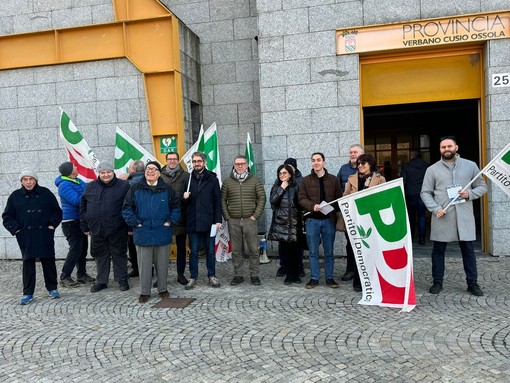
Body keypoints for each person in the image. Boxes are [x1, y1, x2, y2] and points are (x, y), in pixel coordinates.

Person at [420, 136, 487, 296]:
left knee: (468, 251)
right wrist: (435, 209)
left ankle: (472, 283)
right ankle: (437, 282)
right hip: (442, 216)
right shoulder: (432, 169)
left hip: (464, 217)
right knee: (438, 251)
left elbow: (482, 186)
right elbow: (425, 192)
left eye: (449, 146)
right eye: (443, 147)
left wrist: (468, 194)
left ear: (456, 147)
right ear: (440, 149)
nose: (446, 149)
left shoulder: (470, 166)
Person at [123, 161, 180, 303]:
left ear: (159, 173)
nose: (150, 172)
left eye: (154, 169)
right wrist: (136, 223)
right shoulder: (135, 188)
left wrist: (170, 222)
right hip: (143, 232)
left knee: (162, 264)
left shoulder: (167, 189)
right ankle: (145, 292)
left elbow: (176, 208)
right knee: (144, 265)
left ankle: (162, 289)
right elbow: (127, 208)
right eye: (148, 169)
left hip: (162, 231)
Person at [2, 169, 63, 305]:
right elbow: (7, 216)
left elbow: (57, 212)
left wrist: (52, 225)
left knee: (48, 260)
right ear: (21, 181)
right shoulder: (15, 196)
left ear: (36, 180)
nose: (28, 182)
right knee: (28, 262)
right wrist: (17, 229)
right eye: (25, 179)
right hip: (25, 235)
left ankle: (52, 288)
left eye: (31, 179)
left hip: (44, 233)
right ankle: (28, 292)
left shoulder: (46, 193)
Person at [80, 161, 130, 293]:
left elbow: (130, 205)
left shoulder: (124, 185)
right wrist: (85, 225)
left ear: (113, 172)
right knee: (100, 255)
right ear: (99, 173)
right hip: (97, 228)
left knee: (119, 253)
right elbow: (83, 206)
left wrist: (130, 227)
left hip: (118, 227)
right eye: (103, 172)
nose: (106, 175)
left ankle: (122, 279)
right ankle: (101, 281)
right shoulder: (90, 186)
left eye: (108, 172)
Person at [298, 152, 342, 289]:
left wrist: (332, 209)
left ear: (324, 162)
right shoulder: (305, 180)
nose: (316, 162)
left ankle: (329, 278)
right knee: (313, 252)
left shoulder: (333, 180)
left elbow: (339, 199)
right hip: (312, 221)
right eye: (313, 160)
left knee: (329, 251)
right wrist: (313, 206)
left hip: (329, 220)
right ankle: (314, 278)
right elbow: (301, 199)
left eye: (318, 160)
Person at [343, 153, 386, 292]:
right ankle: (358, 280)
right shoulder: (352, 179)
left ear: (370, 165)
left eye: (363, 163)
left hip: (372, 220)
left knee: (372, 250)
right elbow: (345, 197)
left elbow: (383, 199)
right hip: (355, 219)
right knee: (357, 250)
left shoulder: (380, 179)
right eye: (359, 164)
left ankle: (373, 279)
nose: (360, 166)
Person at [221, 155, 266, 286]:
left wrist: (255, 216)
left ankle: (255, 275)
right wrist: (227, 217)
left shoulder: (255, 180)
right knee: (235, 250)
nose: (240, 166)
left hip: (250, 220)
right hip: (233, 221)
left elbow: (262, 198)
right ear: (234, 165)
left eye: (242, 163)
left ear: (247, 165)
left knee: (252, 249)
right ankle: (238, 274)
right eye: (237, 164)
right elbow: (222, 199)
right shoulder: (228, 182)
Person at [182, 152, 222, 290]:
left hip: (209, 221)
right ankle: (193, 277)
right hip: (193, 222)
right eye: (194, 161)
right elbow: (183, 204)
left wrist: (218, 220)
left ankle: (212, 275)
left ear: (204, 162)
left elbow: (218, 201)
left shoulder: (212, 179)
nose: (196, 163)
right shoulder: (187, 179)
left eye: (199, 161)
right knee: (193, 251)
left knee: (210, 251)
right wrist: (185, 198)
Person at [55, 161, 95, 288]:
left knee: (82, 249)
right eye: (75, 167)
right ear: (70, 171)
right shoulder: (64, 185)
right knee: (75, 249)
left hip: (80, 220)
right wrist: (90, 196)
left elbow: (88, 191)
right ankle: (65, 276)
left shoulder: (78, 181)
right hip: (71, 222)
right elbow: (76, 201)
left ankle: (81, 274)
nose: (77, 167)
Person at [268, 164, 302, 285]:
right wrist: (281, 188)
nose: (282, 175)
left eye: (285, 173)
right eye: (280, 173)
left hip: (294, 224)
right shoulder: (276, 186)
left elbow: (300, 203)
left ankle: (296, 275)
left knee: (295, 251)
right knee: (285, 252)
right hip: (281, 224)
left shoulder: (297, 186)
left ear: (290, 174)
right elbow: (273, 201)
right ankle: (288, 275)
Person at [160, 151, 190, 285]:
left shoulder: (186, 176)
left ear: (178, 161)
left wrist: (186, 198)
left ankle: (180, 274)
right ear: (166, 161)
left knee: (181, 247)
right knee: (162, 249)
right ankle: (162, 277)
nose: (172, 161)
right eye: (170, 159)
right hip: (163, 217)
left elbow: (191, 196)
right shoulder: (159, 176)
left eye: (174, 159)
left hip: (181, 216)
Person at [336, 144, 364, 282]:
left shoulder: (369, 168)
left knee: (364, 241)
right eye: (351, 152)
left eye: (355, 152)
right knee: (350, 242)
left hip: (364, 213)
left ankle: (364, 270)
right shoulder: (343, 169)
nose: (352, 154)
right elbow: (337, 187)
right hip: (349, 212)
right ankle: (350, 269)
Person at [275, 158, 305, 278]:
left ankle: (298, 268)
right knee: (283, 248)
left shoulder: (300, 181)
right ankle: (284, 268)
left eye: (289, 167)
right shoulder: (278, 183)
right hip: (282, 221)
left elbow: (301, 202)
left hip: (295, 221)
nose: (285, 171)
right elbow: (273, 202)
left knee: (297, 247)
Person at [401, 150, 429, 245]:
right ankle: (422, 239)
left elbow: (403, 181)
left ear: (412, 155)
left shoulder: (406, 166)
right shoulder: (427, 166)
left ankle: (411, 239)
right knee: (422, 217)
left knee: (411, 218)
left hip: (410, 194)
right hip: (423, 194)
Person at [126, 160, 146, 277]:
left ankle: (137, 268)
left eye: (129, 168)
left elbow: (128, 205)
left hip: (134, 221)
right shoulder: (148, 180)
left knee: (133, 246)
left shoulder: (130, 183)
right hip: (147, 220)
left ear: (133, 170)